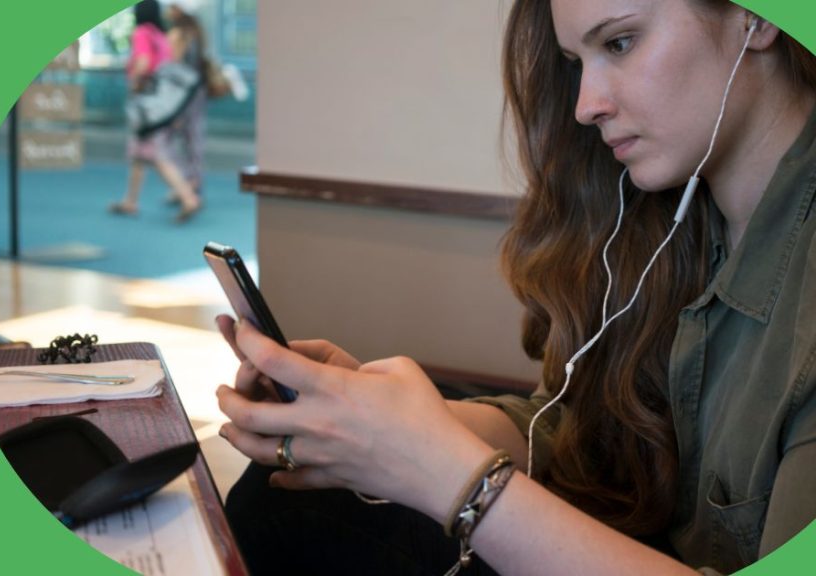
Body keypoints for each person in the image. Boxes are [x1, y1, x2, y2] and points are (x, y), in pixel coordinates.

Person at [213, 1, 816, 575]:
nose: (585, 105)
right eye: (578, 62)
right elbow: (568, 424)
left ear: (755, 19)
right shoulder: (669, 227)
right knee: (284, 501)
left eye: (621, 42)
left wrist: (455, 477)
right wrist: (384, 429)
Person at [109, 0, 201, 222]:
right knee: (140, 154)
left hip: (146, 105)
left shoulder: (142, 33)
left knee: (155, 156)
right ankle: (131, 200)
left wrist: (134, 83)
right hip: (161, 105)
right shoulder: (161, 35)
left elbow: (142, 62)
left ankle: (187, 197)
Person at [165, 2, 209, 199]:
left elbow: (175, 64)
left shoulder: (181, 35)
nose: (168, 12)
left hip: (184, 93)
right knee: (192, 136)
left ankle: (187, 182)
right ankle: (191, 181)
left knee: (178, 136)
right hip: (195, 91)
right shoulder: (197, 33)